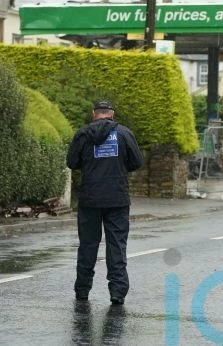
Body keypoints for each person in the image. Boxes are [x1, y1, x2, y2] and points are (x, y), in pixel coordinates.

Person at [66, 100, 144, 305]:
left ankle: (82, 290)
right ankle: (117, 292)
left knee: (88, 245)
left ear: (94, 114)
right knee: (116, 244)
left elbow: (71, 162)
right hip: (117, 198)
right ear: (112, 114)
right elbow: (137, 162)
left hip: (90, 198)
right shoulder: (124, 134)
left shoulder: (83, 134)